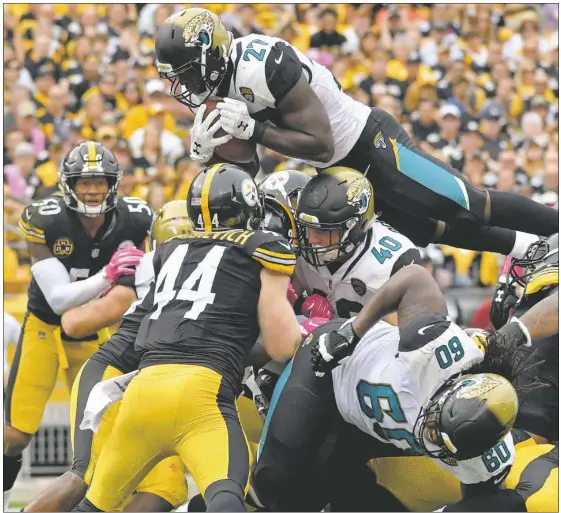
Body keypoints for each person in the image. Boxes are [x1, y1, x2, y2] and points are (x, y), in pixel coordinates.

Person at [155, 7, 557, 260]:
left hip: (369, 142)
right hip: (338, 168)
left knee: (467, 202)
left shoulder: (263, 62)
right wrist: (209, 154)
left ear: (211, 55)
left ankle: (555, 228)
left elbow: (319, 141)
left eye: (188, 71)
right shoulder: (213, 90)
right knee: (423, 230)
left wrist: (254, 128)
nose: (184, 85)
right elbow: (249, 168)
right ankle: (529, 250)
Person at [72, 163, 302, 512]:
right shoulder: (263, 247)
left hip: (142, 393)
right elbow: (281, 345)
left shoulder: (171, 249)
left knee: (94, 505)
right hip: (202, 395)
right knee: (226, 497)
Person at [253, 264, 532, 511]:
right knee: (273, 480)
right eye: (436, 426)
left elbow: (479, 503)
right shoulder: (435, 352)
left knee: (337, 493)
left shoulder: (485, 460)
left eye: (440, 441)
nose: (430, 436)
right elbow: (415, 278)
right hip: (333, 370)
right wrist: (353, 332)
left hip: (368, 427)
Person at [4, 142, 152, 505]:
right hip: (44, 327)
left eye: (98, 181)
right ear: (67, 184)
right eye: (83, 182)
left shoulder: (136, 218)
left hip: (90, 331)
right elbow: (57, 298)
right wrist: (109, 276)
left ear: (113, 184)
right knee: (14, 436)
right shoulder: (46, 219)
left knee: (96, 433)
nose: (91, 190)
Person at [23, 201, 192, 513]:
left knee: (166, 488)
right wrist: (106, 281)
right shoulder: (153, 273)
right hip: (115, 384)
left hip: (152, 391)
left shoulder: (213, 278)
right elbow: (73, 323)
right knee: (86, 475)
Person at [292, 167, 421, 320]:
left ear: (354, 227)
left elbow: (405, 336)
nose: (311, 240)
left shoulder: (390, 264)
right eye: (307, 228)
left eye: (321, 231)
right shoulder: (303, 249)